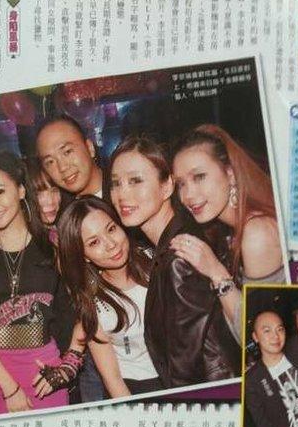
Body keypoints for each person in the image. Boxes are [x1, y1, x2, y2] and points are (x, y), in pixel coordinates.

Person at [108, 135, 240, 388]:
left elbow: (185, 370)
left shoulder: (180, 256)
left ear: (167, 186)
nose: (122, 194)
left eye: (135, 181)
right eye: (115, 183)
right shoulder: (172, 240)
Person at [0, 151, 81, 415]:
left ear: (21, 191)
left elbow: (84, 306)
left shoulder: (54, 244)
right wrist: (9, 387)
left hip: (43, 372)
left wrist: (69, 363)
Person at [170, 124, 285, 339]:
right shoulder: (231, 230)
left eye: (199, 177)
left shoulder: (257, 233)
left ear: (230, 174)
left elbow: (254, 337)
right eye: (181, 184)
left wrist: (216, 272)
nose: (188, 195)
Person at [57, 195, 163, 396]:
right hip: (134, 388)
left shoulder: (158, 263)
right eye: (94, 242)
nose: (111, 244)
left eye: (111, 229)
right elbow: (112, 378)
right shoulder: (92, 303)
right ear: (83, 256)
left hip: (181, 379)